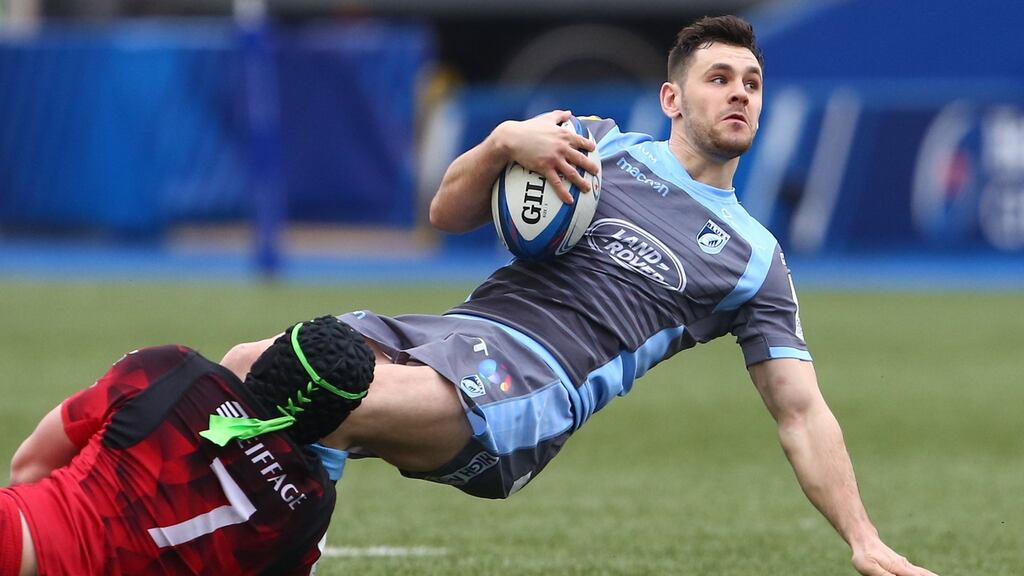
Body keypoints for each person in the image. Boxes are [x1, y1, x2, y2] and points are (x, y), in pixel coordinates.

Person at [224, 15, 937, 576]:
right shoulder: (596, 147)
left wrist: (864, 540)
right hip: (452, 330)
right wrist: (505, 142)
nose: (740, 93)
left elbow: (801, 412)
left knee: (333, 401)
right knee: (245, 367)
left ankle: (276, 556)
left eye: (752, 82)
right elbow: (446, 213)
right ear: (672, 99)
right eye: (719, 78)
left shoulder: (755, 259)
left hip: (533, 381)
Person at [1, 315, 374, 576]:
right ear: (334, 420)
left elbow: (29, 466)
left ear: (269, 357)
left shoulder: (173, 368)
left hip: (18, 540)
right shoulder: (311, 508)